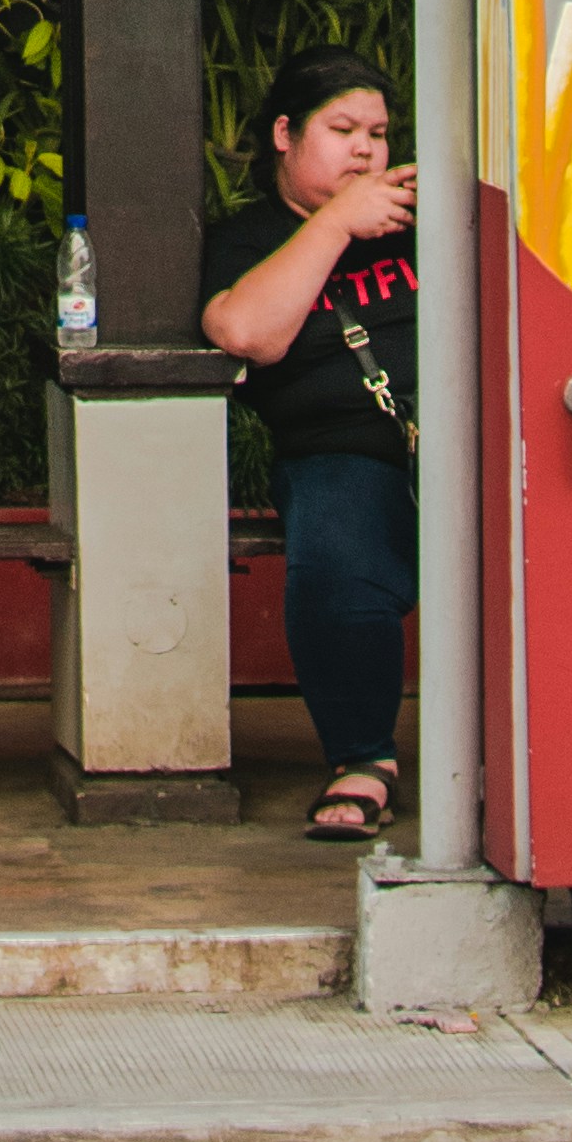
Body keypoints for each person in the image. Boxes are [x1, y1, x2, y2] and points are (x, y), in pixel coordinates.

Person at [199, 49, 419, 844]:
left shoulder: (423, 219)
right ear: (286, 135)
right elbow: (246, 333)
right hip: (343, 450)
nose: (366, 150)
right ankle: (364, 759)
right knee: (333, 556)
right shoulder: (249, 238)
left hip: (466, 438)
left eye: (379, 133)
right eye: (343, 129)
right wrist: (335, 224)